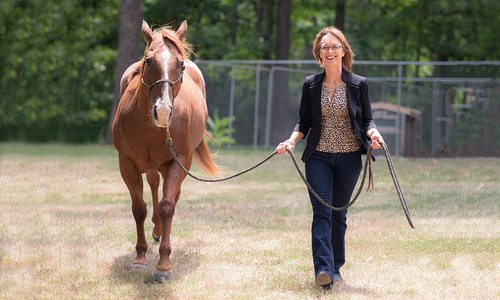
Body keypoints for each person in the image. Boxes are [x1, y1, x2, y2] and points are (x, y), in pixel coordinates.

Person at [275, 26, 384, 289]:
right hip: (319, 158)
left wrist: (374, 134)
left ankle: (335, 267)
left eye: (335, 46)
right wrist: (290, 141)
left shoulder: (359, 84)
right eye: (325, 47)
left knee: (339, 215)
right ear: (319, 54)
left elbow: (367, 119)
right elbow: (304, 122)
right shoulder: (311, 84)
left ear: (343, 50)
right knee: (321, 213)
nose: (330, 51)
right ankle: (323, 270)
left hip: (348, 159)